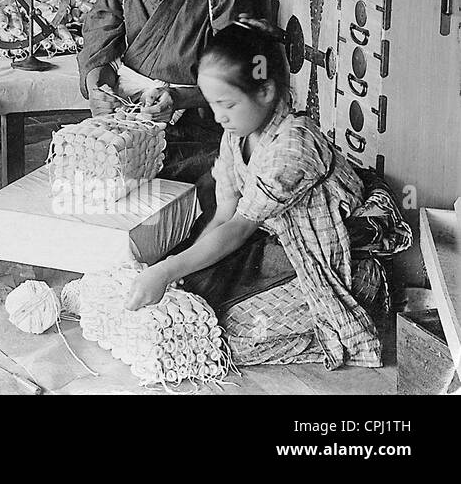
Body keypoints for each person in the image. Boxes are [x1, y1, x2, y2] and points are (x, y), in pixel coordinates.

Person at [123, 20, 391, 368]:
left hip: (336, 255)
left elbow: (238, 228)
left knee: (224, 336)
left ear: (265, 91)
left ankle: (370, 296)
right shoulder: (238, 131)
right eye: (213, 104)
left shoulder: (294, 146)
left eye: (227, 104)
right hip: (274, 239)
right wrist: (178, 273)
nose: (218, 116)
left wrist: (165, 272)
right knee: (194, 297)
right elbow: (225, 214)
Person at [78, 0, 255, 196]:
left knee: (186, 190)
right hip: (129, 122)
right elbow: (96, 46)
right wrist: (97, 87)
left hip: (199, 129)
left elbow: (240, 73)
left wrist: (178, 99)